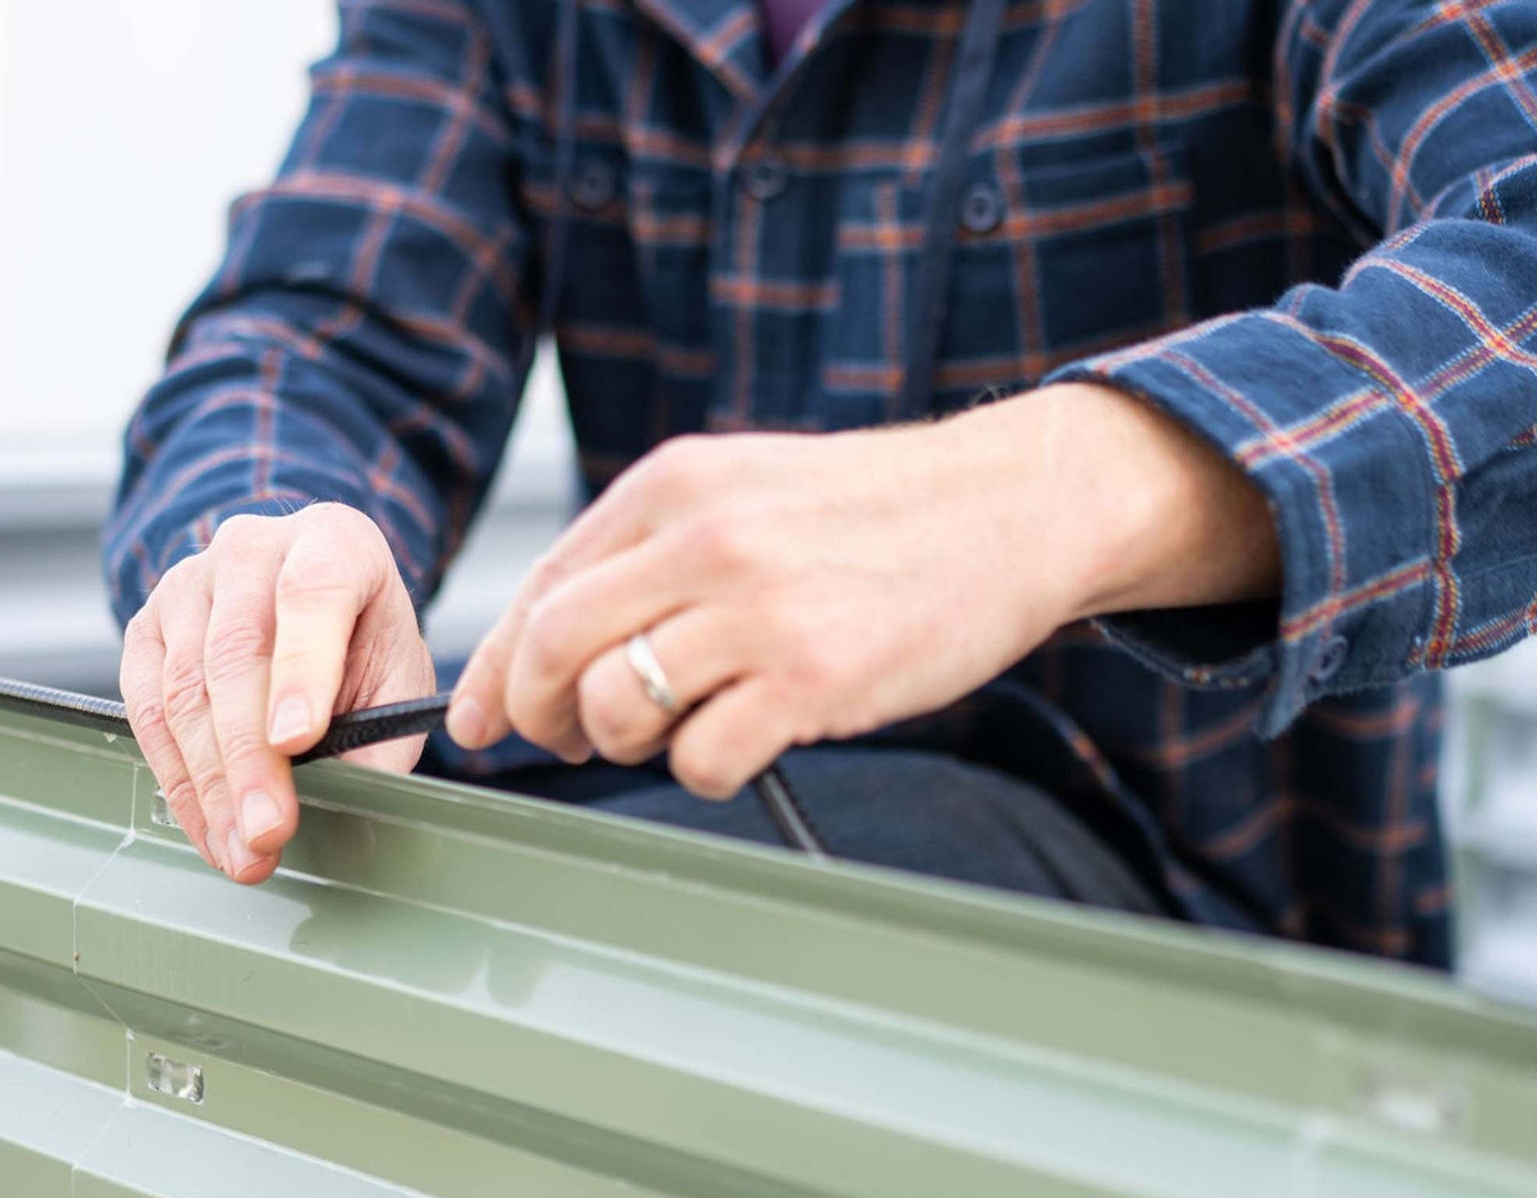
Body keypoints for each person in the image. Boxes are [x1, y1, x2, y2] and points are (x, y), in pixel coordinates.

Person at [106, 0, 1537, 968]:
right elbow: (321, 328)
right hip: (668, 908)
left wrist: (1056, 489)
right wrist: (271, 546)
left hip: (1214, 1020)